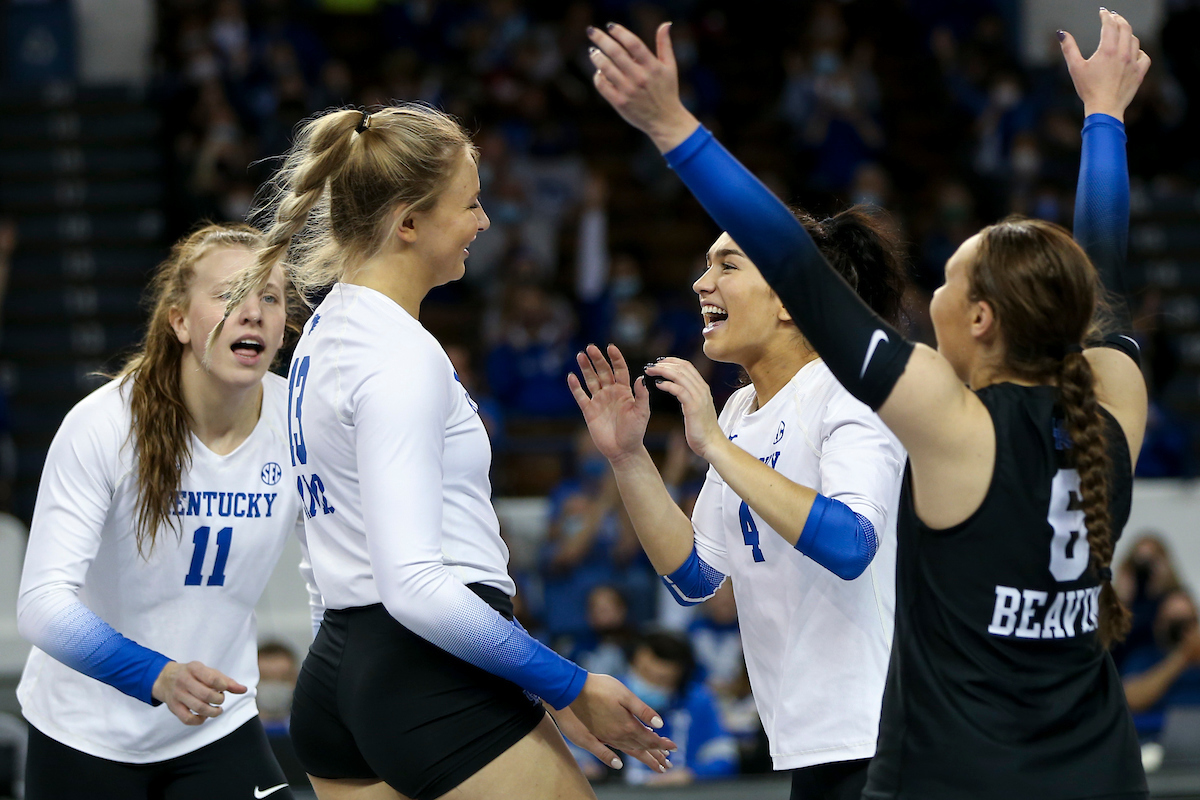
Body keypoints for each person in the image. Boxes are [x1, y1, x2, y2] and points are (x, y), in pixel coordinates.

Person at [585, 9, 1150, 799]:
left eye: (948, 281)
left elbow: (802, 272)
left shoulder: (950, 425)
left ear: (980, 321)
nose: (927, 297)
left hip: (964, 766)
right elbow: (1106, 275)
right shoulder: (1113, 408)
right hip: (1098, 764)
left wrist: (674, 127)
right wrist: (1105, 116)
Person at [222, 104, 675, 800]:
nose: (484, 222)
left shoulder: (324, 334)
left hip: (341, 670)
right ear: (408, 222)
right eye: (470, 204)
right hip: (427, 670)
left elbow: (332, 557)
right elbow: (413, 584)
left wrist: (354, 685)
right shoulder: (397, 355)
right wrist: (568, 684)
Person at [569, 132, 908, 800]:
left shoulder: (848, 389)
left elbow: (851, 544)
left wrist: (716, 450)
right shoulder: (740, 412)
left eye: (728, 264)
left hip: (886, 733)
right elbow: (696, 577)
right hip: (813, 738)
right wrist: (629, 459)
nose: (702, 283)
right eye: (705, 266)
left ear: (787, 299)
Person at [15, 223, 323, 800]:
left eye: (270, 297)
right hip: (83, 733)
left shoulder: (301, 424)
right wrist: (155, 675)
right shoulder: (104, 425)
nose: (252, 312)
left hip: (214, 725)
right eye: (229, 295)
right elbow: (41, 606)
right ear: (180, 321)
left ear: (285, 325)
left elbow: (331, 575)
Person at [617, 632, 738, 786]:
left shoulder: (698, 701)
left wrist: (692, 774)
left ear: (679, 677)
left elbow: (724, 757)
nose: (649, 683)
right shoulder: (613, 695)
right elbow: (587, 752)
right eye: (644, 673)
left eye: (661, 679)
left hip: (683, 791)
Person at [1121, 588, 1200, 741]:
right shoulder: (1143, 657)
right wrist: (1182, 656)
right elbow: (1130, 700)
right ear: (1159, 623)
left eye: (1188, 622)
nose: (1183, 631)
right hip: (1155, 739)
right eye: (1175, 623)